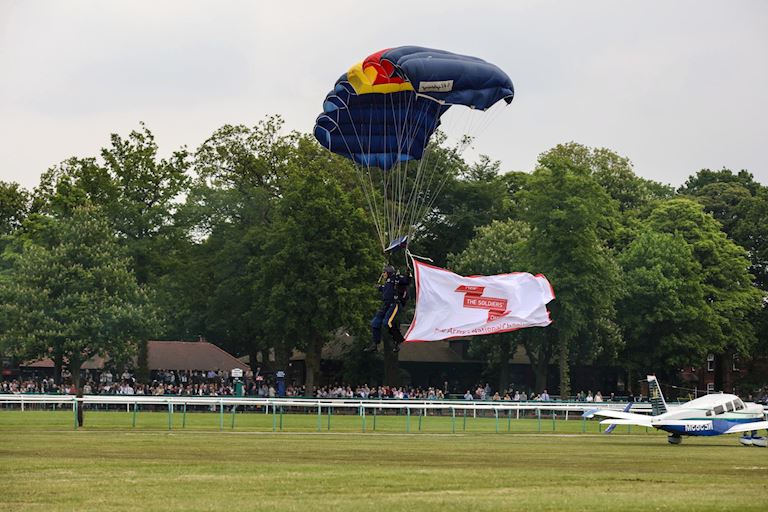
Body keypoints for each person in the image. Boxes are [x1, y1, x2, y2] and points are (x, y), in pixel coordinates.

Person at [364, 264, 410, 353]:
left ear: (389, 272)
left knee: (387, 322)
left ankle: (397, 341)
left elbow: (406, 281)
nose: (383, 274)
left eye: (384, 272)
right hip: (386, 305)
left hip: (394, 304)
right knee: (375, 322)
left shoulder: (396, 279)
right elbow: (387, 290)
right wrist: (379, 287)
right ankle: (375, 344)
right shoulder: (388, 281)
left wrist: (408, 273)